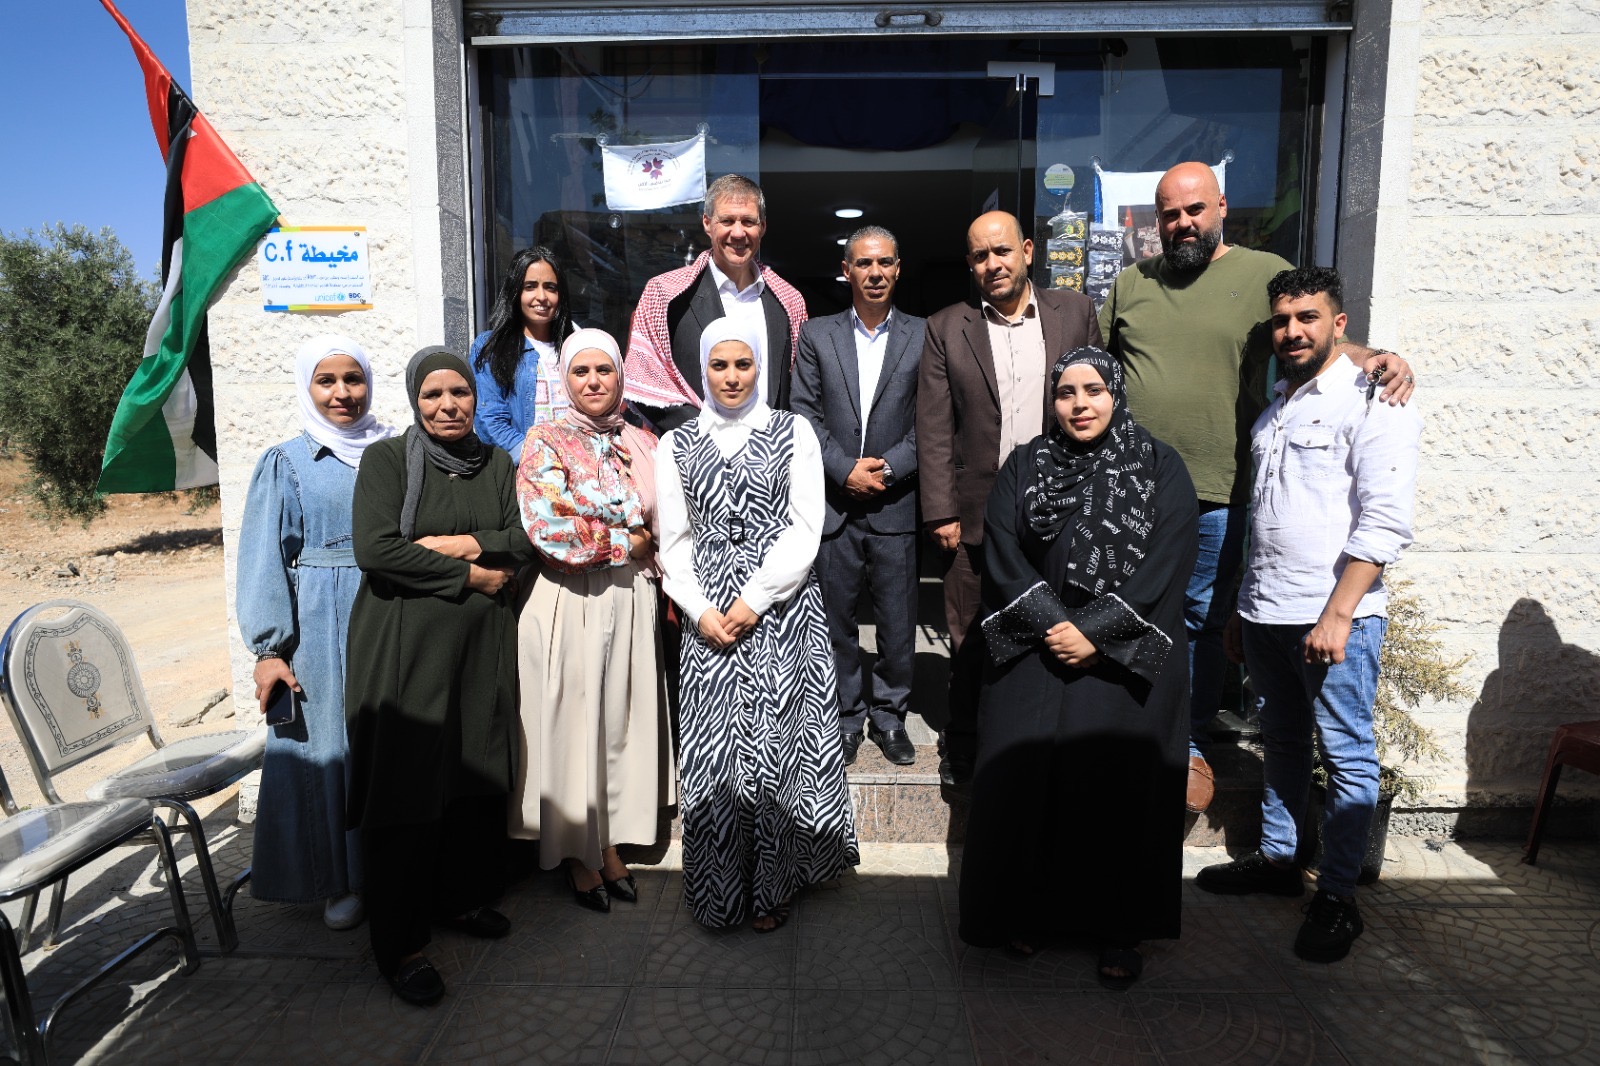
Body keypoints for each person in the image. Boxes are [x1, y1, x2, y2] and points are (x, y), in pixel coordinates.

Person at [1099, 161, 1417, 813]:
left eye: (1194, 209)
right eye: (1169, 213)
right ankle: (1127, 731)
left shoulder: (1261, 271)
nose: (1182, 223)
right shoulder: (1131, 283)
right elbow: (1094, 371)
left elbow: (1315, 334)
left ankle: (1189, 743)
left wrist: (1379, 357)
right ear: (1155, 219)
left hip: (1221, 492)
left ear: (1220, 206)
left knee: (1202, 623)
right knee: (1128, 610)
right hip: (1135, 492)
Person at [1197, 267, 1421, 963]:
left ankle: (1339, 898)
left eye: (1308, 318)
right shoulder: (1275, 410)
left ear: (1339, 323)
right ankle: (1278, 860)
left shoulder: (1374, 398)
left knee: (1346, 755)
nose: (1292, 331)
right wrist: (1243, 608)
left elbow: (1385, 521)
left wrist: (1339, 613)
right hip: (1267, 613)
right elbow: (1268, 523)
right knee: (1284, 743)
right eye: (1282, 320)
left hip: (1332, 619)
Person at [959, 346, 1198, 988]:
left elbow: (1170, 558)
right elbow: (1001, 549)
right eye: (1066, 393)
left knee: (1114, 790)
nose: (1080, 404)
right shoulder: (1027, 463)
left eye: (1094, 390)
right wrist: (1053, 624)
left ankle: (1117, 929)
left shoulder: (1159, 465)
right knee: (1029, 782)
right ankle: (1030, 912)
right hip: (1038, 644)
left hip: (1120, 657)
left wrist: (1096, 633)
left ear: (1115, 393)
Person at [344, 346, 537, 1006]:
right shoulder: (388, 461)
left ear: (476, 399)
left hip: (480, 647)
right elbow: (377, 549)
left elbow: (523, 538)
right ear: (414, 400)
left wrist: (462, 545)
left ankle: (460, 897)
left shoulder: (496, 463)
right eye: (433, 395)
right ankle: (400, 945)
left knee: (471, 772)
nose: (448, 406)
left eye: (460, 393)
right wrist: (473, 576)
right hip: (406, 649)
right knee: (407, 787)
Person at [656, 318, 859, 931]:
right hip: (709, 616)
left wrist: (755, 598)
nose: (732, 377)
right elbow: (674, 541)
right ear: (702, 370)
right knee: (717, 755)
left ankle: (774, 886)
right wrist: (700, 609)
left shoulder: (793, 432)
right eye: (719, 365)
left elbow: (805, 527)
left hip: (782, 609)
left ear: (761, 367)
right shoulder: (676, 443)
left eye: (743, 364)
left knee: (778, 748)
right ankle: (720, 893)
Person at [916, 210, 1101, 785]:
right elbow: (934, 426)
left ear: (1026, 251)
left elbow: (1100, 405)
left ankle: (1037, 739)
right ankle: (964, 746)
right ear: (970, 265)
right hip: (974, 515)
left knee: (1055, 629)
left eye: (1001, 251)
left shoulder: (1075, 313)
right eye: (980, 256)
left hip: (1059, 509)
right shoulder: (947, 326)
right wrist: (941, 511)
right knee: (970, 635)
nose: (992, 264)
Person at [510, 328, 674, 913]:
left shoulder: (642, 440)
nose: (594, 381)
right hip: (569, 599)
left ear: (621, 376)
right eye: (581, 371)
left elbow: (663, 521)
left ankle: (607, 843)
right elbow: (549, 529)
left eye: (604, 370)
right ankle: (577, 853)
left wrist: (629, 537)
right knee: (573, 724)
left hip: (631, 599)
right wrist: (625, 540)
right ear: (565, 380)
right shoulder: (545, 440)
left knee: (615, 723)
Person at [236, 334, 394, 931]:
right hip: (325, 623)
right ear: (307, 387)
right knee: (331, 747)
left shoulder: (395, 450)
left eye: (353, 378)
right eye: (326, 381)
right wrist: (268, 650)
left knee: (391, 740)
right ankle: (340, 879)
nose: (342, 393)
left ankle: (395, 871)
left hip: (393, 610)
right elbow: (264, 559)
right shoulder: (287, 462)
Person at [791, 225, 926, 766]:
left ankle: (890, 716)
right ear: (845, 270)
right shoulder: (817, 335)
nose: (875, 273)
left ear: (898, 269)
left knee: (897, 622)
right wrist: (844, 470)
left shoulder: (924, 334)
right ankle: (845, 716)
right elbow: (803, 412)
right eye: (864, 263)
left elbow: (932, 420)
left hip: (896, 501)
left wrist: (887, 470)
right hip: (835, 502)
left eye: (885, 262)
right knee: (835, 622)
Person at [623, 174, 808, 432]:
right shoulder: (666, 295)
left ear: (763, 227)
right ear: (707, 224)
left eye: (748, 221)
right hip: (692, 448)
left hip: (770, 450)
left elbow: (800, 392)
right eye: (727, 221)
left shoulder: (789, 301)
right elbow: (645, 381)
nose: (738, 233)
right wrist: (708, 437)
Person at [470, 246, 577, 461]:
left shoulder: (576, 345)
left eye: (550, 287)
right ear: (515, 291)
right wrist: (540, 459)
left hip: (578, 467)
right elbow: (490, 421)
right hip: (524, 469)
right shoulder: (492, 347)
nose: (541, 296)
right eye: (530, 287)